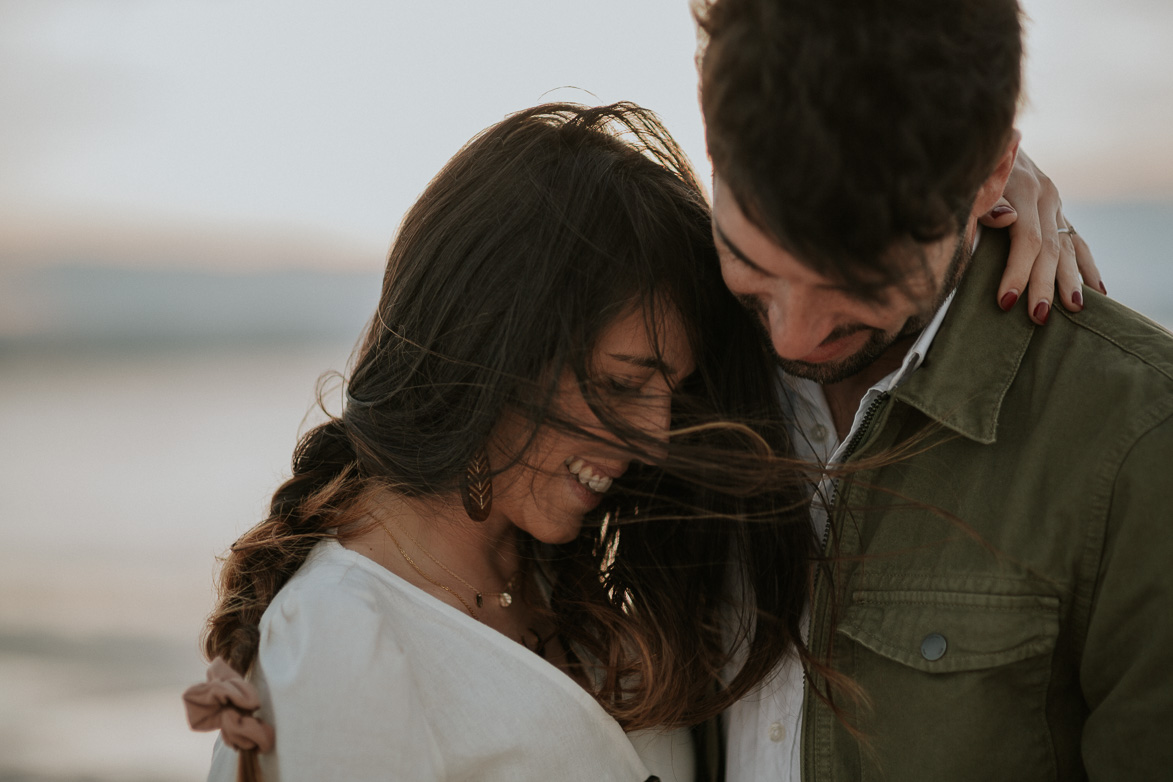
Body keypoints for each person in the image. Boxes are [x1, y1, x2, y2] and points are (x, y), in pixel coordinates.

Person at [188, 101, 817, 782]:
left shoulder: (568, 592)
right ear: (491, 350)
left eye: (673, 395)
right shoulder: (341, 643)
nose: (655, 443)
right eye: (620, 385)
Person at [695, 1, 1173, 780]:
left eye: (854, 286)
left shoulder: (1142, 444)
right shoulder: (662, 336)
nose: (788, 338)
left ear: (991, 172)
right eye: (754, 263)